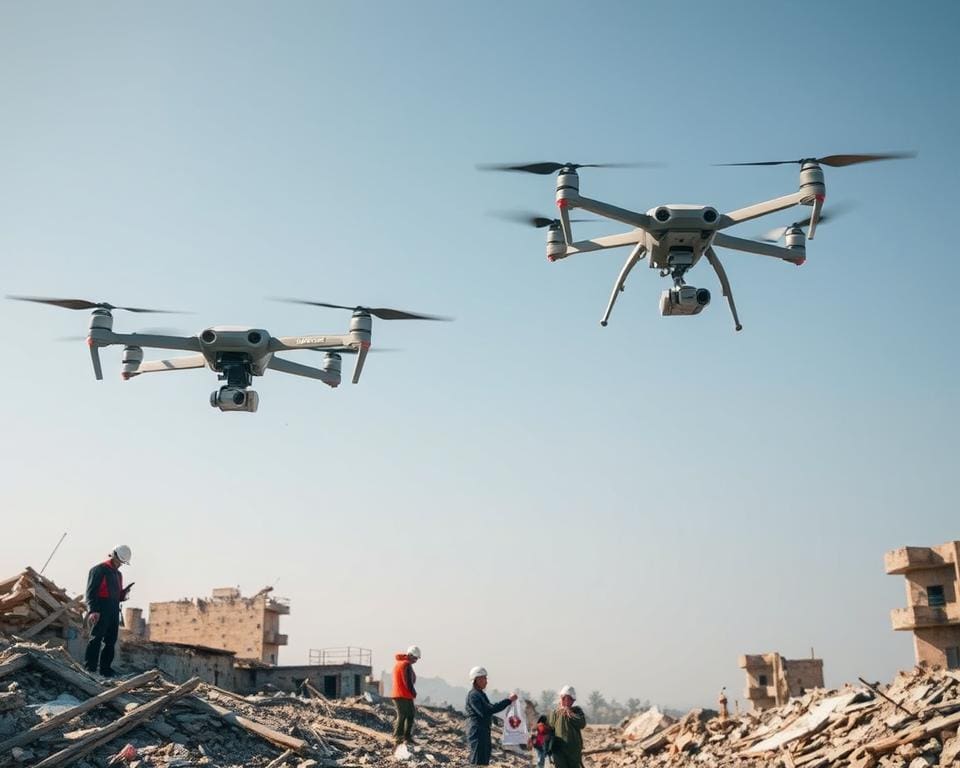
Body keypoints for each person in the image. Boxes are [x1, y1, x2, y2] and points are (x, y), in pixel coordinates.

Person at [84, 545, 132, 677]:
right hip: (101, 608)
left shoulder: (118, 574)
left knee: (111, 640)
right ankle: (90, 668)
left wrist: (123, 594)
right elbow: (91, 592)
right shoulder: (98, 570)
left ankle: (106, 670)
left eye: (123, 563)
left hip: (113, 608)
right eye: (119, 561)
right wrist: (93, 610)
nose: (120, 565)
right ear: (113, 555)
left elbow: (115, 594)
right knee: (96, 638)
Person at [465, 665, 517, 765]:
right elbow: (488, 710)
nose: (486, 681)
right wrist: (508, 700)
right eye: (484, 678)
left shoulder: (480, 694)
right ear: (477, 679)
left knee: (484, 760)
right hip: (477, 732)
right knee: (478, 761)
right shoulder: (474, 695)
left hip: (483, 731)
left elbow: (488, 710)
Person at [547, 685, 586, 768]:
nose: (567, 701)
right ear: (561, 698)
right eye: (565, 698)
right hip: (558, 750)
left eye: (570, 699)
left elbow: (582, 724)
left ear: (573, 700)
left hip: (574, 750)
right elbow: (549, 729)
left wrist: (570, 713)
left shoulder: (577, 711)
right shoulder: (555, 713)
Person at [392, 645, 421, 746]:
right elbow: (407, 682)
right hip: (403, 695)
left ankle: (403, 737)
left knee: (406, 715)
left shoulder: (399, 663)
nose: (416, 660)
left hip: (400, 694)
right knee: (405, 715)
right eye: (415, 658)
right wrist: (413, 692)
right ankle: (400, 737)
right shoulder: (406, 665)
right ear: (410, 655)